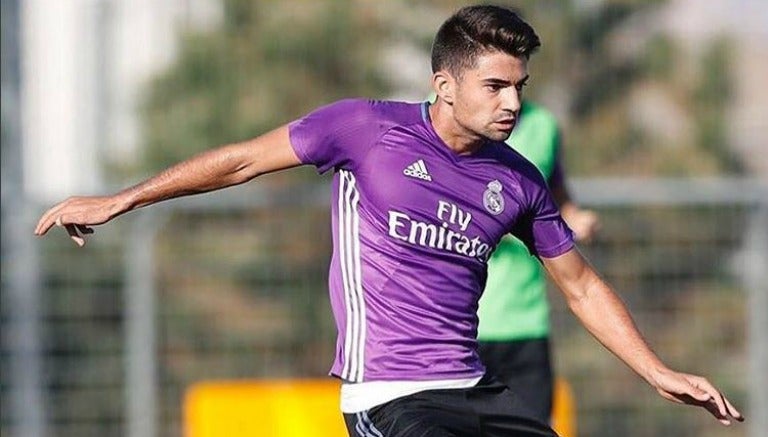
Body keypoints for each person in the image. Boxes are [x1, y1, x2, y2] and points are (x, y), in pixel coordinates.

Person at [35, 5, 742, 437]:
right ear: (444, 83)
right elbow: (242, 162)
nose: (511, 104)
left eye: (519, 87)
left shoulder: (516, 178)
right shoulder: (363, 129)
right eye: (494, 85)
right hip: (392, 398)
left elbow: (581, 285)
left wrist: (658, 371)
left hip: (478, 387)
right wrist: (120, 199)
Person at [477, 100, 599, 424]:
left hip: (527, 325)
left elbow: (556, 194)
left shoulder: (544, 125)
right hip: (463, 327)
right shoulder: (450, 121)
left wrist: (574, 218)